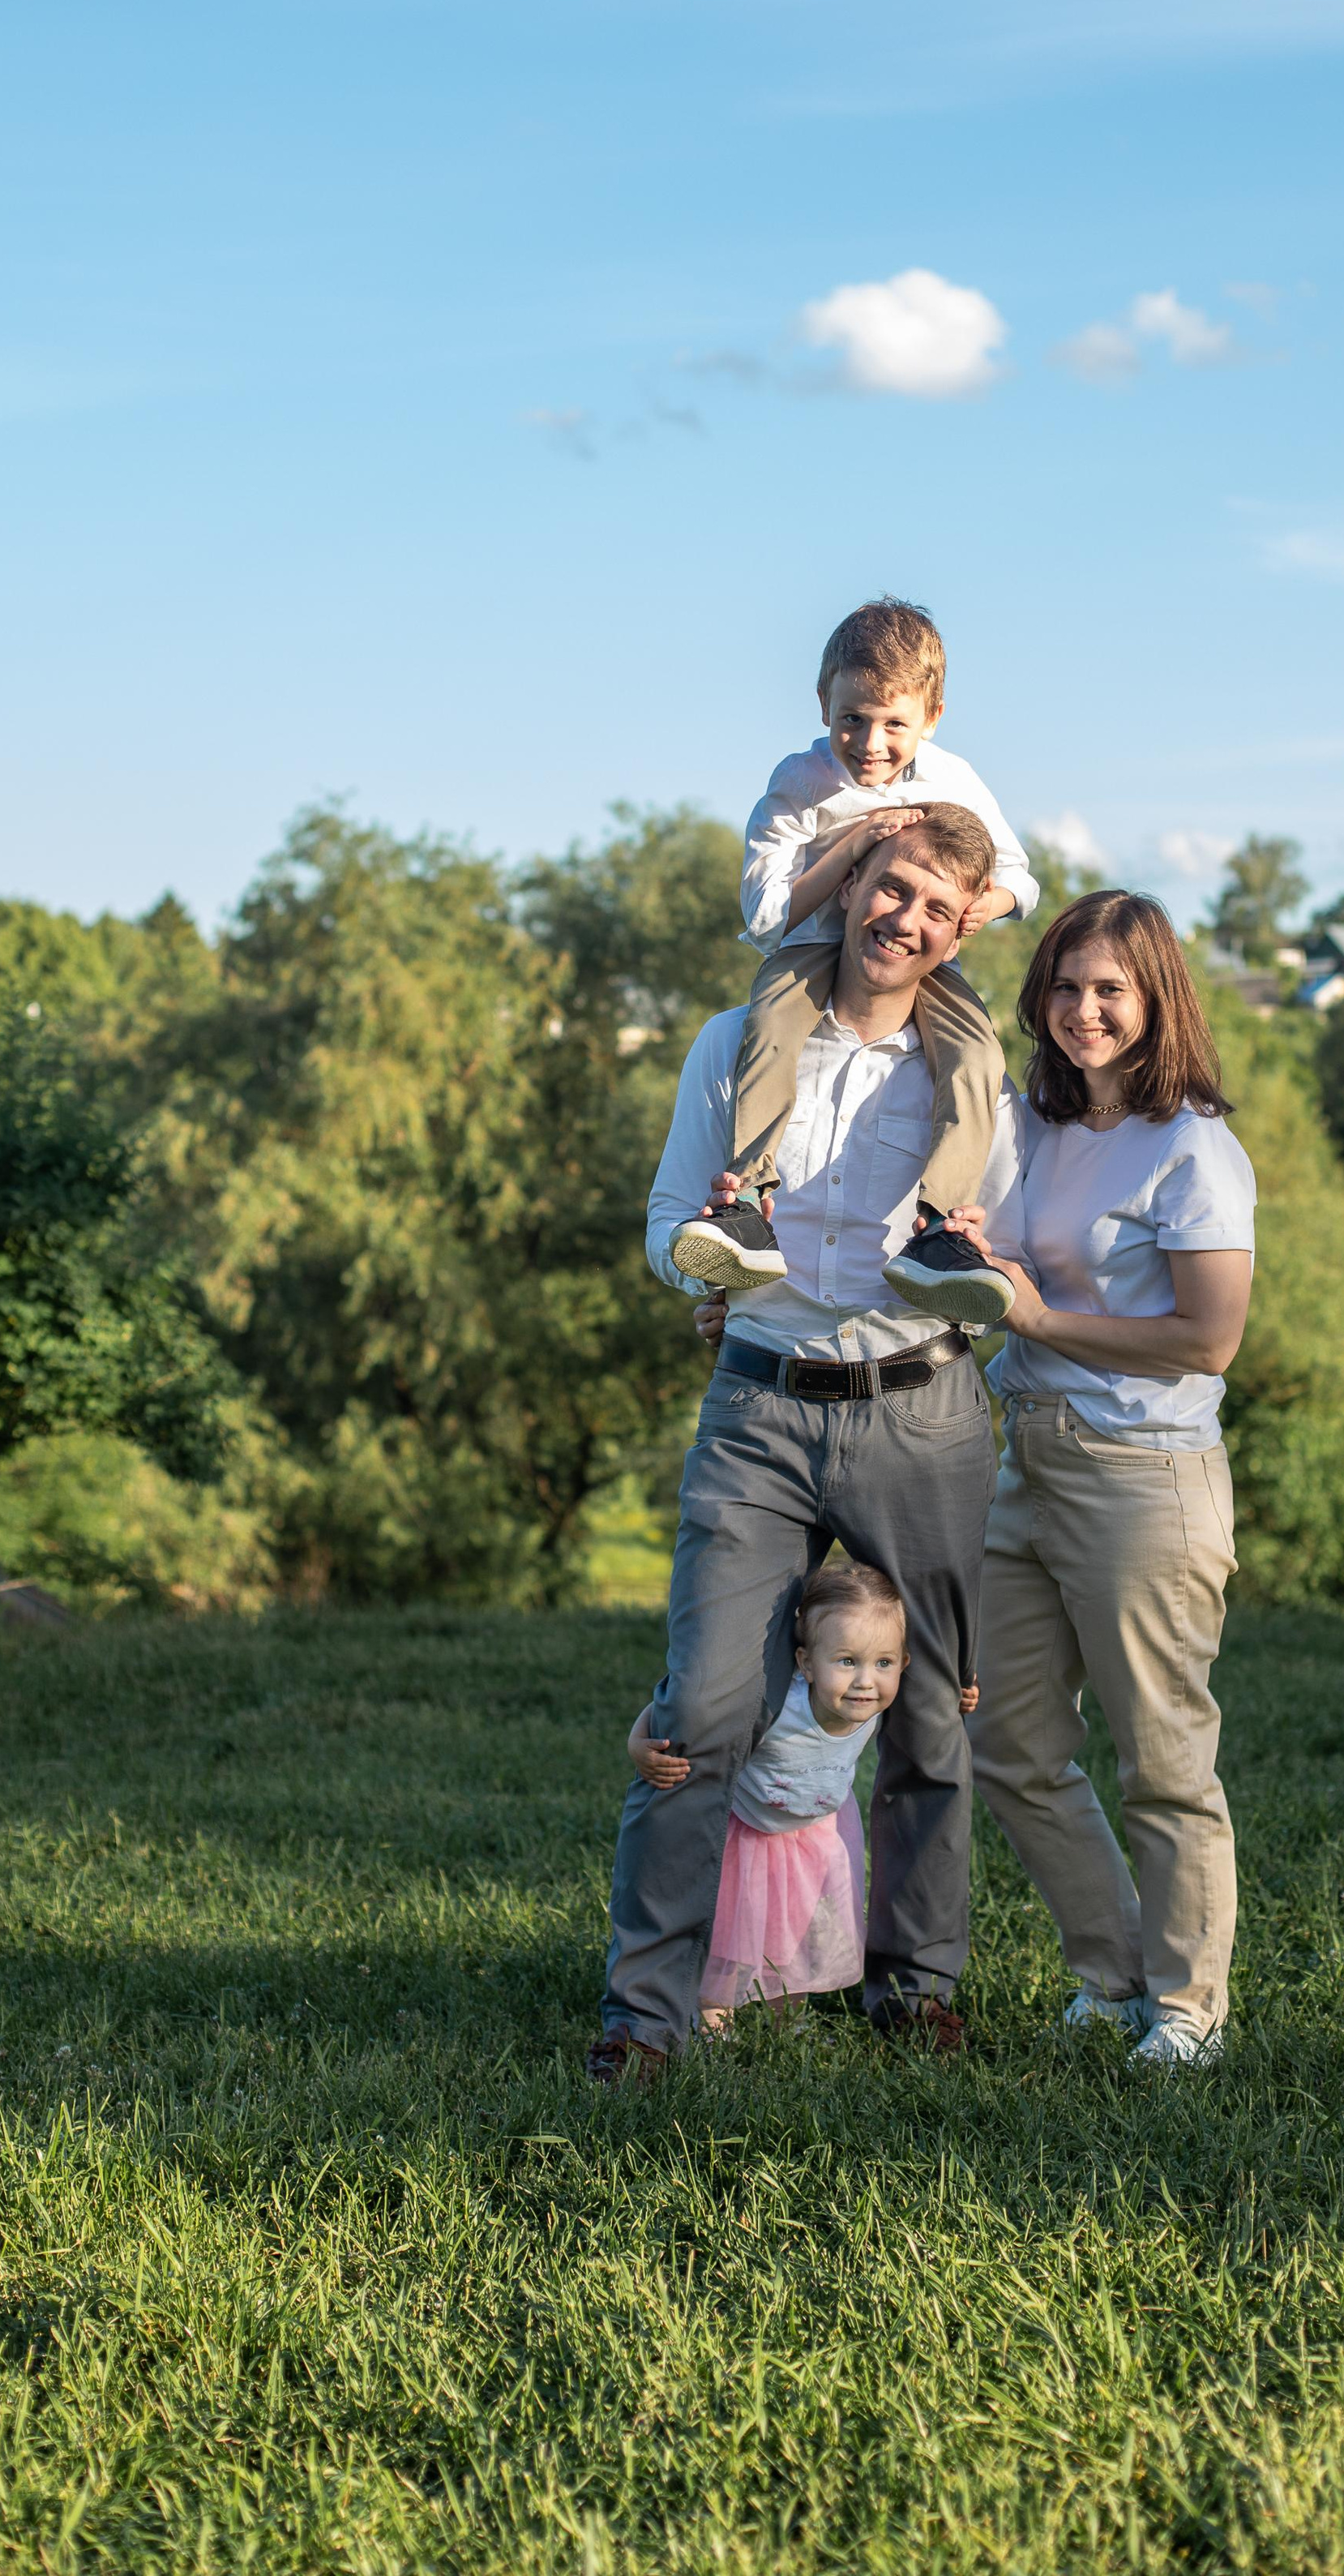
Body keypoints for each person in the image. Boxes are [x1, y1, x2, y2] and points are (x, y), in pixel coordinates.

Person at [587, 801, 1020, 2085]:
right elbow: (670, 1223)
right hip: (763, 1407)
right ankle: (646, 2016)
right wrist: (702, 1266)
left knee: (932, 1712)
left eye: (938, 911)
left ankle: (916, 1986)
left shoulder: (970, 1075)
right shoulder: (737, 1043)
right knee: (703, 1712)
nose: (906, 922)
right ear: (851, 889)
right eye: (893, 891)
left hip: (925, 1411)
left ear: (956, 935)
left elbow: (1011, 1246)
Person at [954, 890, 1255, 2067]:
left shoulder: (1192, 1147)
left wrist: (1040, 1315)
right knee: (1012, 1743)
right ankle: (1112, 1973)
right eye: (1068, 986)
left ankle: (1189, 2011)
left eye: (1111, 990)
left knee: (1163, 1760)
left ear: (1154, 1000)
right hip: (1019, 1456)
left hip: (1143, 1475)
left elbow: (1207, 1339)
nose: (1085, 1010)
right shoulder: (1026, 1126)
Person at [664, 597, 1034, 1334]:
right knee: (769, 1035)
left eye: (895, 724)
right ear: (823, 702)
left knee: (976, 1055)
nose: (870, 743)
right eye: (852, 719)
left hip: (918, 965)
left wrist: (978, 909)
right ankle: (744, 1207)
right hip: (811, 946)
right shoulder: (800, 782)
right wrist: (854, 843)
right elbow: (765, 914)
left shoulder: (954, 778)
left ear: (930, 716)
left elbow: (1021, 877)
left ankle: (940, 1231)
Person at [627, 1561, 979, 2032]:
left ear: (903, 1663)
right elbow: (679, 1699)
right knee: (735, 1936)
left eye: (884, 1663)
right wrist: (638, 1742)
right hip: (748, 1833)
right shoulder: (781, 1702)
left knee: (795, 1931)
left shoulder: (882, 1697)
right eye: (847, 1661)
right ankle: (714, 2016)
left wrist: (959, 1693)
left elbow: (937, 1696)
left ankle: (782, 2020)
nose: (865, 1681)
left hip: (815, 1835)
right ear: (806, 1662)